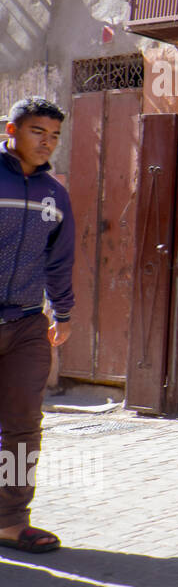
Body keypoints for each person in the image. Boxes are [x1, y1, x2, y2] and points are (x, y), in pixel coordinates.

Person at [0, 97, 74, 554]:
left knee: (24, 427)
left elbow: (59, 260)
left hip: (28, 323)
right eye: (37, 132)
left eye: (54, 136)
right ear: (12, 130)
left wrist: (62, 313)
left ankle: (10, 520)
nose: (47, 143)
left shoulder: (55, 194)